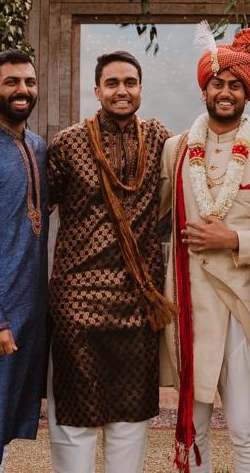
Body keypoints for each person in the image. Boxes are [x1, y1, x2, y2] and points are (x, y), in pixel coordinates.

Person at [159, 25, 250, 473]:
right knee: (193, 424)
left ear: (248, 93)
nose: (225, 92)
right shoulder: (175, 150)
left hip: (241, 308)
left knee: (243, 427)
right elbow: (147, 215)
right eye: (218, 83)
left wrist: (235, 240)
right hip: (187, 306)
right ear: (205, 88)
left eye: (235, 85)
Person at [46, 50, 175, 473]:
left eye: (130, 82)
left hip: (138, 304)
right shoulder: (67, 143)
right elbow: (32, 208)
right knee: (76, 416)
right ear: (97, 89)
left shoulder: (161, 140)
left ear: (140, 88)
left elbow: (213, 161)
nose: (122, 91)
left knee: (131, 417)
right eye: (113, 83)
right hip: (76, 301)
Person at [0, 50, 48, 473]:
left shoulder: (38, 147)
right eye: (11, 82)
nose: (22, 90)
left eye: (29, 82)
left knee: (0, 424)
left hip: (27, 313)